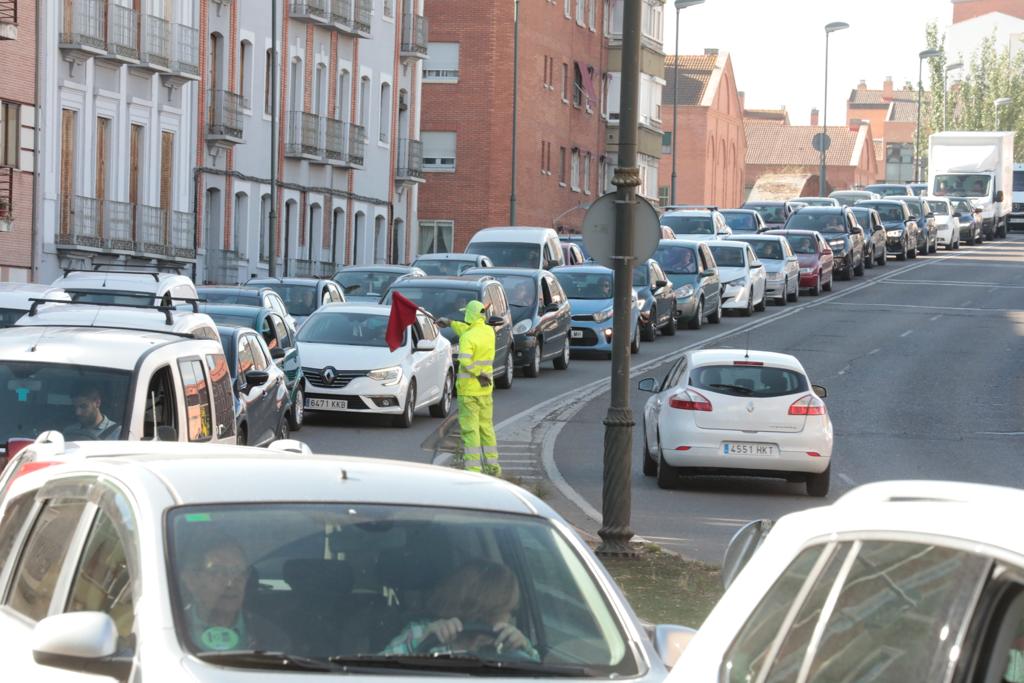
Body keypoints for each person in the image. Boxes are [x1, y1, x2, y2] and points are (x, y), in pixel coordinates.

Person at [381, 560, 538, 661]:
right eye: (507, 611)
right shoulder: (421, 633)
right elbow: (380, 671)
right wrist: (421, 643)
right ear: (482, 611)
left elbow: (539, 673)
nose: (510, 618)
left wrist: (524, 649)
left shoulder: (506, 644)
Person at [178, 531, 287, 653]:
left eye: (238, 571)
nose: (231, 583)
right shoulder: (170, 630)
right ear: (191, 580)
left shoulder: (271, 636)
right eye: (217, 571)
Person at [437, 301, 500, 475]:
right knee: (486, 428)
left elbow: (464, 360)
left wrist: (477, 372)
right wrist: (450, 323)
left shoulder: (467, 338)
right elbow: (466, 329)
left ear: (469, 315)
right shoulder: (488, 332)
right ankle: (493, 468)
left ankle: (473, 469)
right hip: (485, 390)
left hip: (469, 391)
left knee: (471, 431)